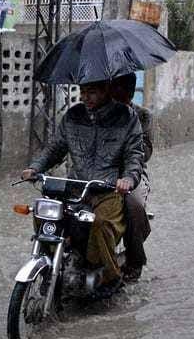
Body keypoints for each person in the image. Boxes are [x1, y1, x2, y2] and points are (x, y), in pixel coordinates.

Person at [21, 80, 144, 298]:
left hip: (107, 190)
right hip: (75, 188)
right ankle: (51, 267)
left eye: (92, 92)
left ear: (106, 91)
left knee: (101, 223)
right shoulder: (73, 116)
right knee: (45, 214)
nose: (85, 97)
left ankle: (110, 275)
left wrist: (128, 178)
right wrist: (35, 167)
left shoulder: (127, 117)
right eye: (83, 92)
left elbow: (134, 155)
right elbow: (55, 149)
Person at [111, 73, 153, 282]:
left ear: (129, 92)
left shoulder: (142, 116)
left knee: (133, 206)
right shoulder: (99, 114)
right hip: (100, 174)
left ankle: (135, 260)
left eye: (121, 92)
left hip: (133, 175)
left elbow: (144, 152)